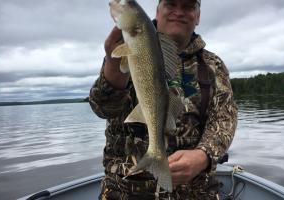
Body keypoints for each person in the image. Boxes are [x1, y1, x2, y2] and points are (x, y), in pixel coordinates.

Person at [89, 0, 238, 199]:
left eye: (188, 6)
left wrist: (203, 156)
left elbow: (225, 118)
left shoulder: (213, 65)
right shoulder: (124, 48)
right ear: (157, 12)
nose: (178, 12)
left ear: (198, 16)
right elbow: (103, 109)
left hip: (195, 192)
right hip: (124, 190)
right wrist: (113, 73)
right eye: (171, 4)